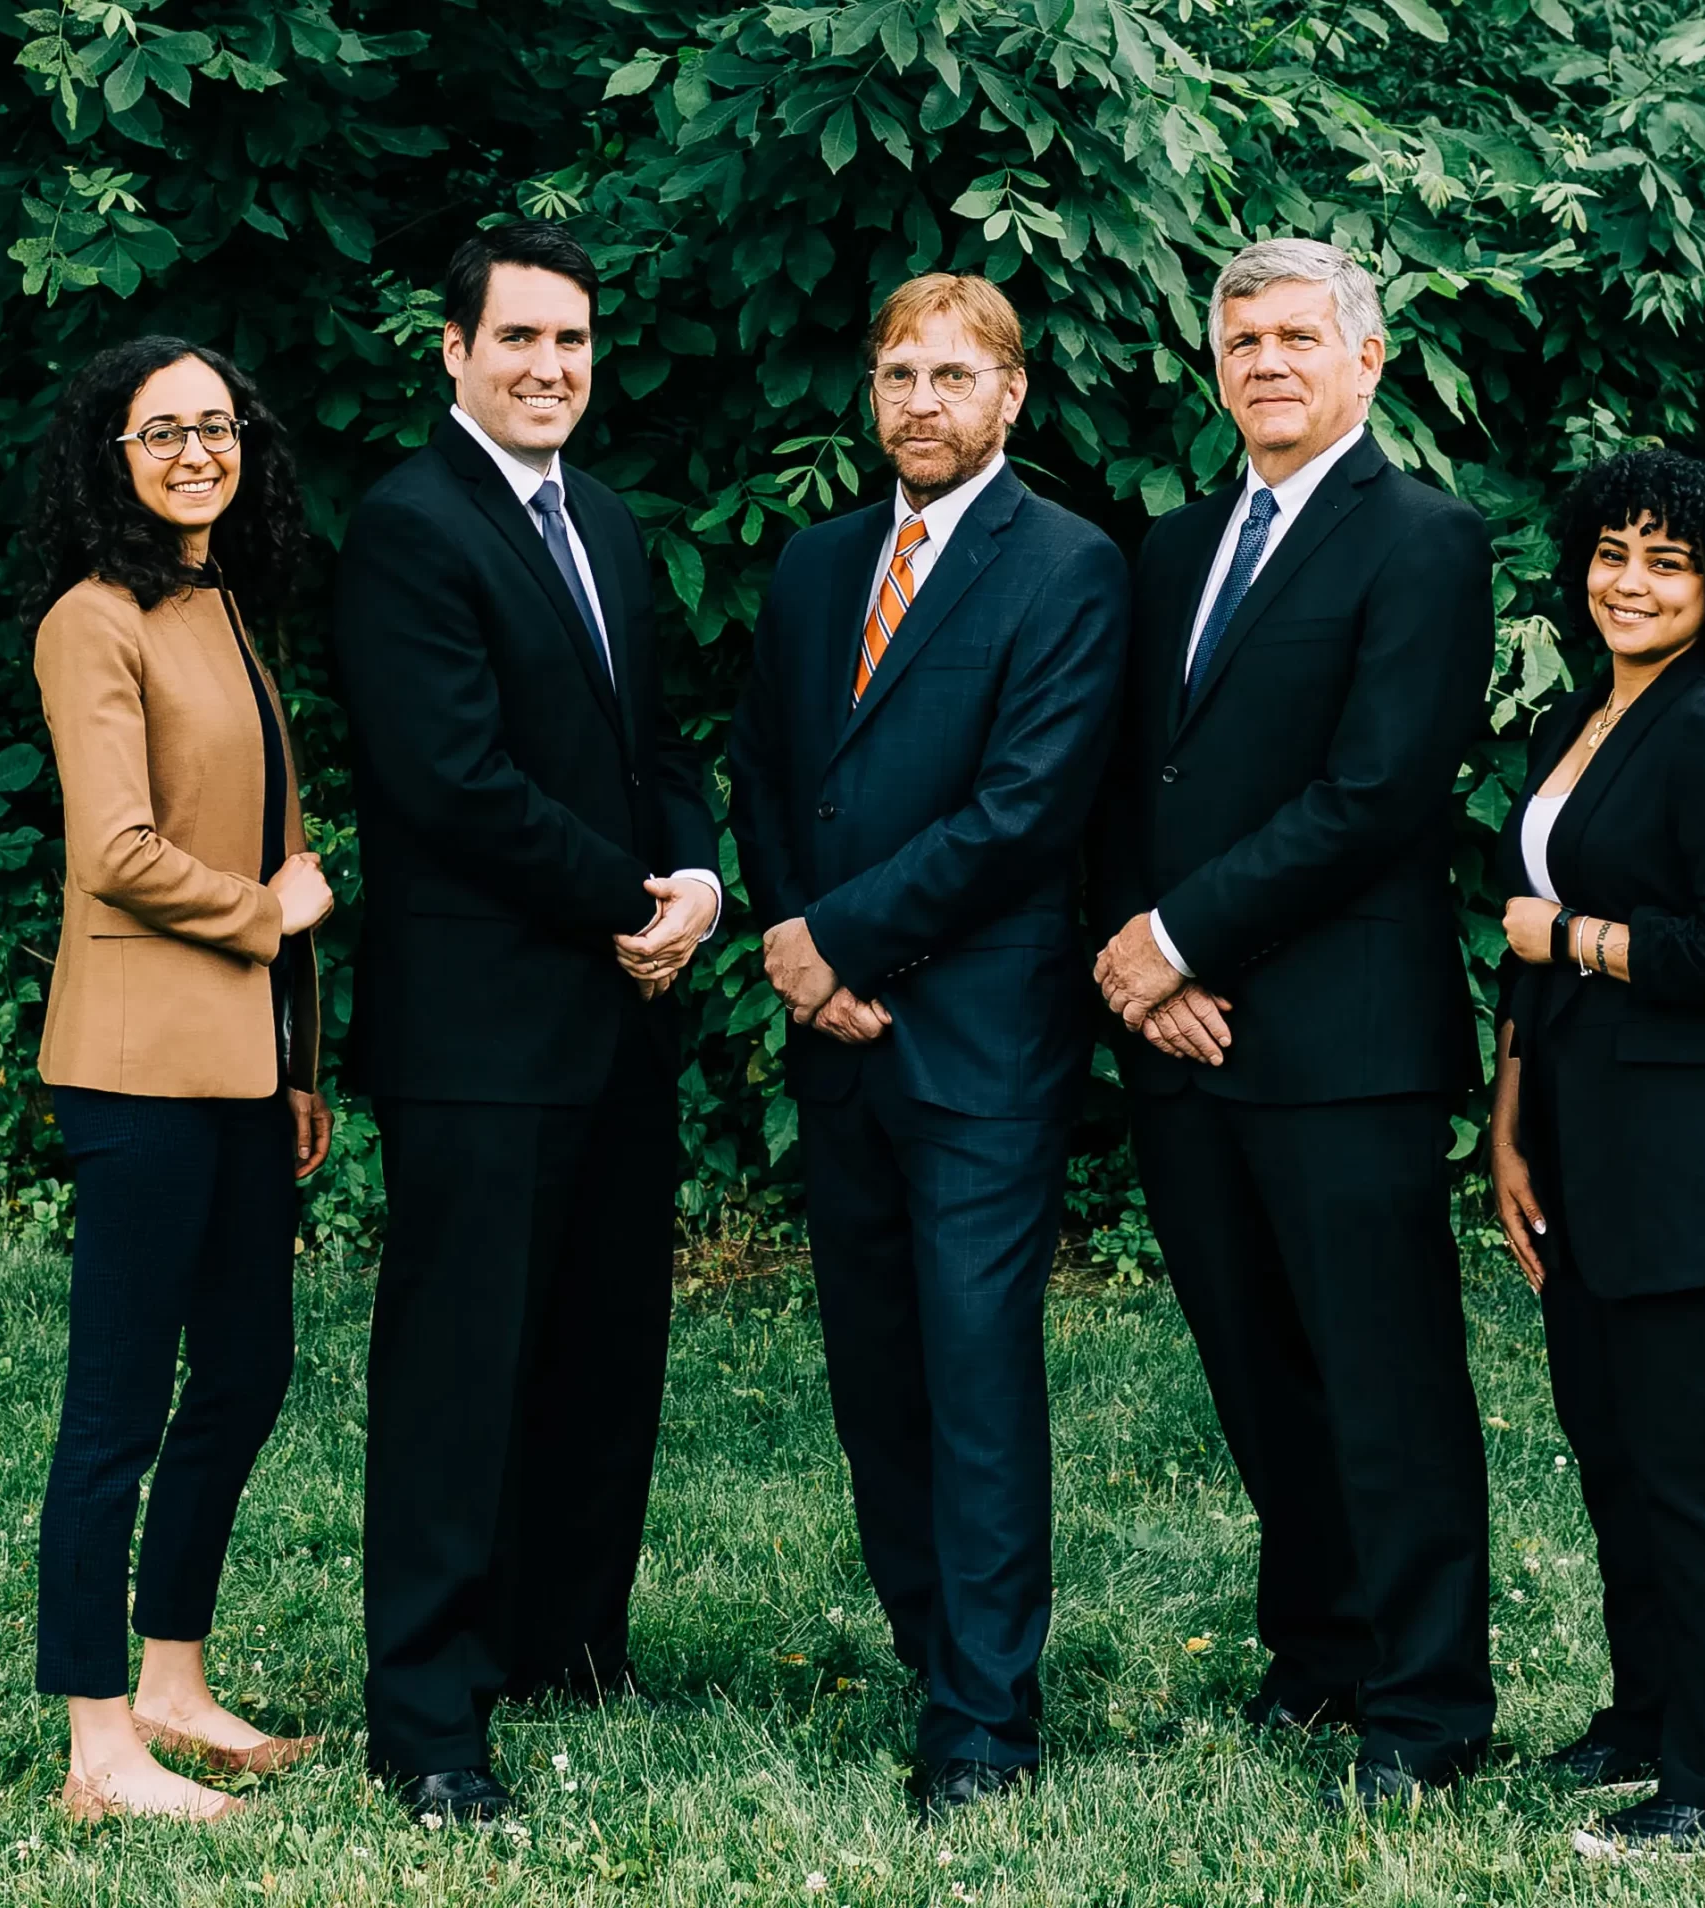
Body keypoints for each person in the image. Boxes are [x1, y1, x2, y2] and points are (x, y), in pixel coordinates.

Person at [1089, 238, 1496, 1811]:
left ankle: (1429, 1701)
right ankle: (1321, 1652)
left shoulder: (1423, 543)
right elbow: (1129, 779)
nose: (1265, 361)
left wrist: (1180, 936)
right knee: (1256, 1369)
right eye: (1241, 339)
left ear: (1367, 362)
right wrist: (1138, 958)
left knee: (1383, 1380)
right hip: (1180, 1040)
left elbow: (1379, 792)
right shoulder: (1171, 549)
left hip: (1345, 1041)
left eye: (1297, 337)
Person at [332, 222, 723, 1824]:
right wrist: (633, 903)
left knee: (600, 1346)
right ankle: (430, 1711)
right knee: (460, 1367)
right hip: (483, 1033)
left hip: (616, 1025)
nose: (551, 367)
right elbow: (454, 782)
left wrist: (697, 868)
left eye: (571, 341)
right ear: (453, 352)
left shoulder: (608, 522)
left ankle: (566, 1640)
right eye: (519, 342)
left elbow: (657, 737)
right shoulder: (410, 530)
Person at [730, 274, 1126, 1816]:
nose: (922, 402)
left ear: (1013, 396)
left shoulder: (1070, 570)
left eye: (955, 377)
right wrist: (794, 942)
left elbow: (1024, 810)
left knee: (972, 1373)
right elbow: (769, 767)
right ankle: (929, 1642)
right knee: (875, 1377)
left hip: (978, 1045)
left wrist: (839, 940)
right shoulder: (821, 564)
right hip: (838, 1037)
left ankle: (984, 1720)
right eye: (899, 374)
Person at [1488, 448, 1705, 1862]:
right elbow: (1526, 912)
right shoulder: (1586, 714)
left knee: (1688, 1468)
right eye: (1614, 554)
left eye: (1666, 564)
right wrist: (1508, 1123)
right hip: (1578, 1145)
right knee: (1611, 1452)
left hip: (1691, 1162)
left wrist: (1575, 939)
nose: (1630, 583)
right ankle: (1643, 1716)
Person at [24, 337, 337, 1822]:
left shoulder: (217, 606)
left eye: (218, 424)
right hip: (139, 1071)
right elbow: (119, 851)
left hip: (238, 1074)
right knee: (117, 1408)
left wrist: (297, 1065)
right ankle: (99, 1746)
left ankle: (173, 1680)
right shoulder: (94, 621)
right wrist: (269, 915)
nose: (198, 451)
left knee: (249, 1370)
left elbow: (266, 826)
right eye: (163, 431)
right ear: (112, 456)